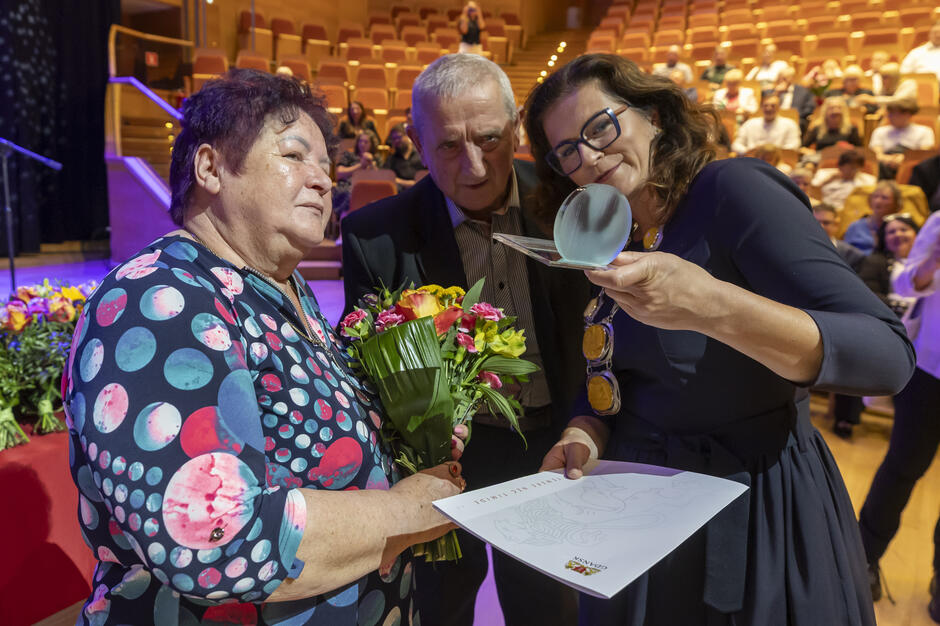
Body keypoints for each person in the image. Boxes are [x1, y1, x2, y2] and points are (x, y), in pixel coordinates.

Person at [63, 68, 466, 625]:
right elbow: (210, 537)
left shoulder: (283, 290)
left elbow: (311, 451)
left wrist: (413, 439)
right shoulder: (156, 300)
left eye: (326, 167)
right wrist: (403, 511)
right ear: (209, 168)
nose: (324, 181)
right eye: (295, 156)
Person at [524, 53, 913, 626]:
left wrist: (711, 306)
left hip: (753, 508)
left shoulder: (733, 191)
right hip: (643, 513)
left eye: (600, 127)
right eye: (567, 151)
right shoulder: (611, 229)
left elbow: (885, 356)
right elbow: (615, 372)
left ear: (653, 115)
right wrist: (586, 431)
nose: (589, 156)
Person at [341, 53, 585, 626]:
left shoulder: (566, 204)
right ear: (417, 145)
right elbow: (366, 370)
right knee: (443, 607)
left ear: (517, 129)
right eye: (449, 145)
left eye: (490, 138)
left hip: (555, 446)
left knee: (549, 608)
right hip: (447, 463)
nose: (474, 165)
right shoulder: (374, 236)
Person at [858, 209, 940, 621]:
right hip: (931, 369)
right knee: (902, 469)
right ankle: (863, 562)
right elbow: (906, 282)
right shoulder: (939, 220)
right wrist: (930, 264)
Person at [831, 213, 920, 438]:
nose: (898, 235)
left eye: (903, 230)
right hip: (885, 324)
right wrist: (902, 304)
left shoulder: (928, 264)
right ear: (883, 238)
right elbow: (867, 294)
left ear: (916, 233)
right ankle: (846, 419)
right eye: (891, 231)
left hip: (922, 331)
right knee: (857, 348)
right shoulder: (876, 261)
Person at [869, 98, 936, 179]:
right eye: (889, 114)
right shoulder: (880, 131)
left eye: (894, 114)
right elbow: (875, 155)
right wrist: (889, 159)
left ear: (908, 114)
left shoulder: (924, 131)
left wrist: (903, 159)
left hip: (911, 168)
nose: (890, 117)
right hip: (885, 166)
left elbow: (923, 155)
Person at [843, 181, 903, 253]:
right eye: (875, 196)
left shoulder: (901, 228)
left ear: (896, 203)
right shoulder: (855, 226)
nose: (878, 201)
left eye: (884, 198)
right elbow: (845, 255)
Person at [731, 93, 801, 154]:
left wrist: (773, 154)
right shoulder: (750, 123)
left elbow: (793, 146)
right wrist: (748, 152)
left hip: (778, 163)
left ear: (779, 107)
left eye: (773, 106)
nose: (769, 108)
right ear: (761, 107)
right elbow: (736, 144)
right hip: (752, 160)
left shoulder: (790, 124)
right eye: (766, 105)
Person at [813, 202, 865, 270]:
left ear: (836, 225)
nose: (821, 226)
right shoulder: (799, 250)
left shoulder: (853, 255)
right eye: (816, 222)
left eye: (826, 223)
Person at [766, 65, 816, 134]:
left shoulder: (803, 91)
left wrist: (797, 115)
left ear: (792, 78)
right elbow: (765, 106)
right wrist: (777, 94)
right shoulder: (770, 92)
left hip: (796, 119)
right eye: (780, 78)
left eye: (785, 78)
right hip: (773, 118)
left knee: (802, 123)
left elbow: (809, 107)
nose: (782, 80)